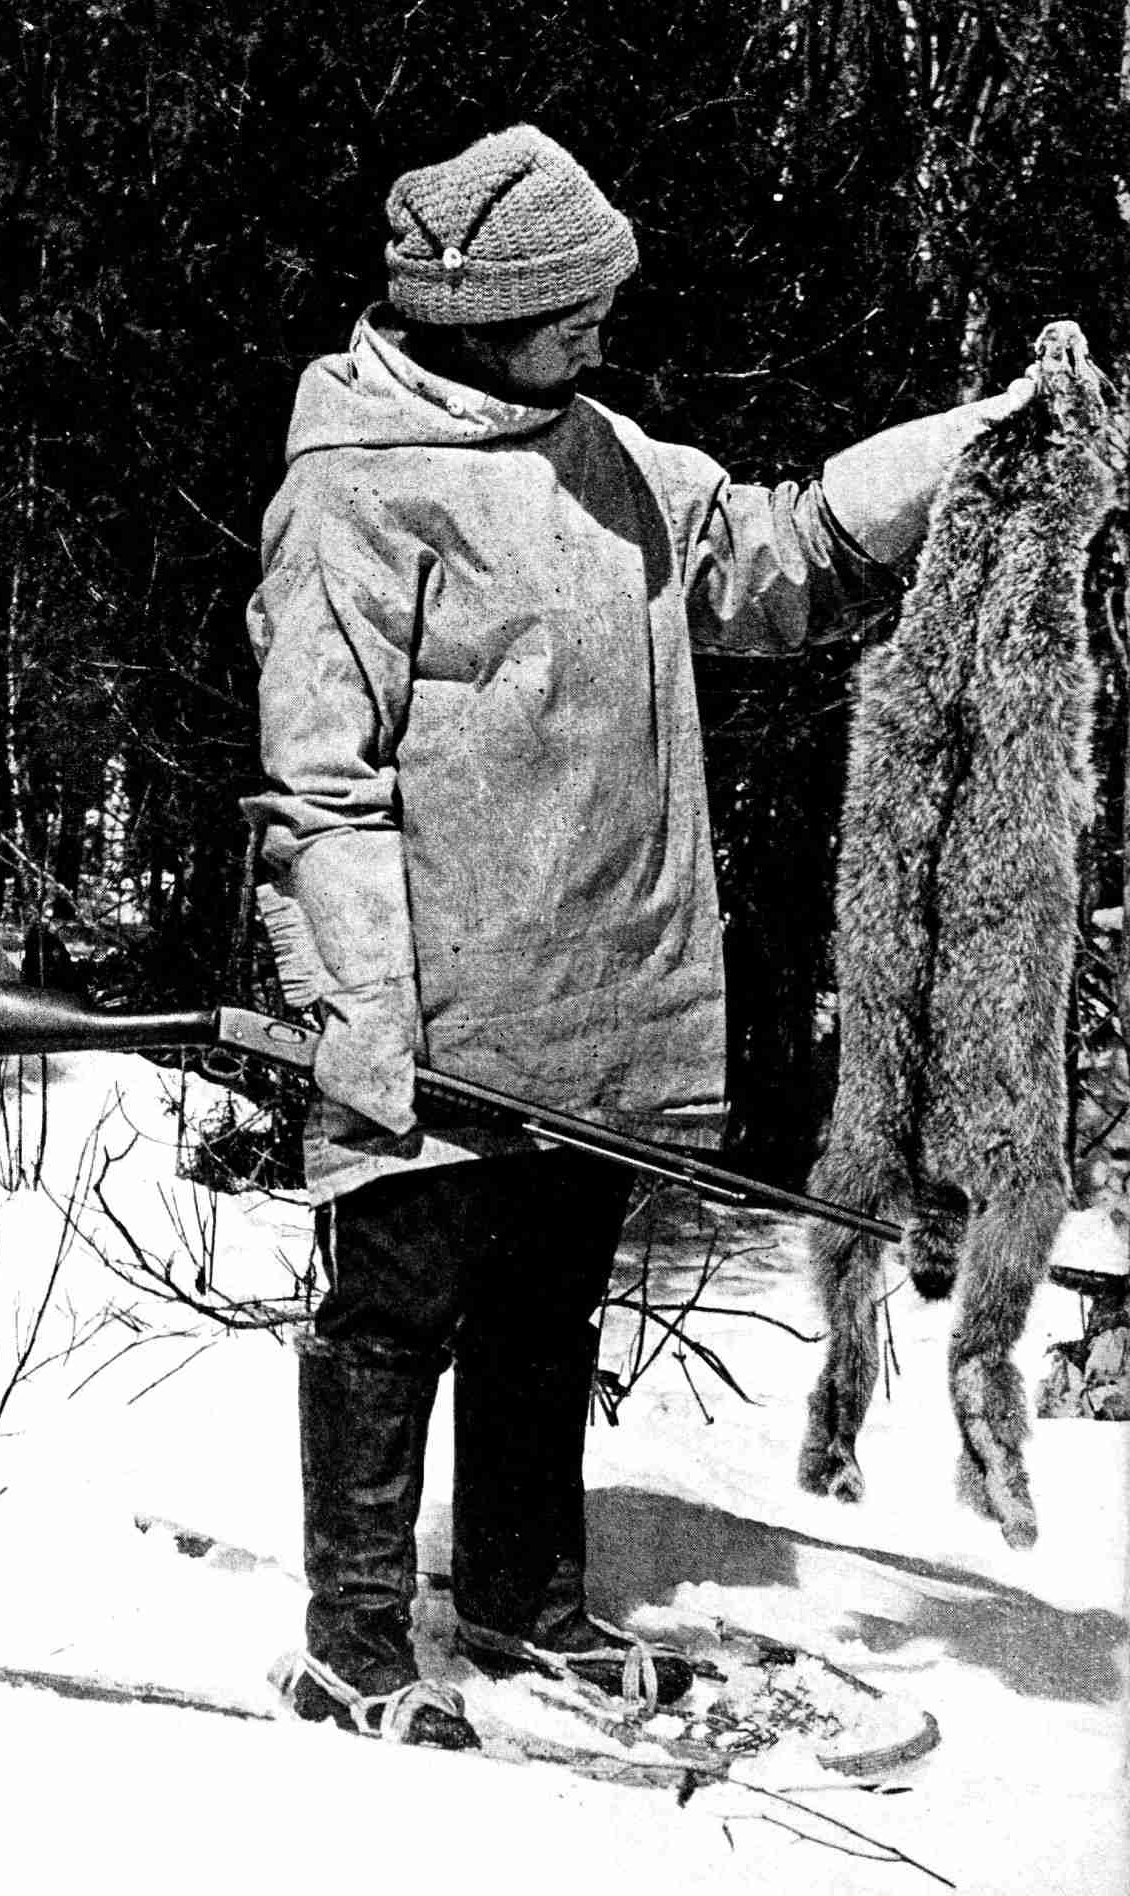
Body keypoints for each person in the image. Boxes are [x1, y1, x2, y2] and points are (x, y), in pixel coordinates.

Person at [243, 124, 1034, 1749]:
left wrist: (971, 444)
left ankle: (528, 1610)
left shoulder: (611, 458)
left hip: (596, 1001)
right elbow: (318, 787)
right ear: (489, 311)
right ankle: (356, 1643)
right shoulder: (356, 493)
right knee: (392, 1319)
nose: (603, 331)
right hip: (430, 1011)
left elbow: (783, 557)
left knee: (546, 1312)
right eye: (574, 307)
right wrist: (364, 1014)